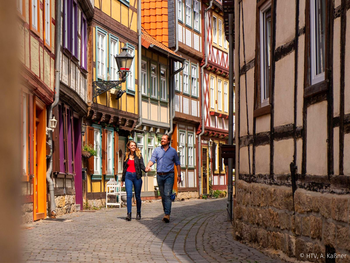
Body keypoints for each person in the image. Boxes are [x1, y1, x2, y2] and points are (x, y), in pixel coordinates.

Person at [145, 134, 181, 223]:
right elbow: (152, 159)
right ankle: (166, 212)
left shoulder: (173, 151)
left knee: (167, 194)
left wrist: (179, 175)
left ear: (168, 141)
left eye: (164, 139)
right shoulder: (157, 150)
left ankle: (167, 214)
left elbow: (177, 163)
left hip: (169, 175)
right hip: (159, 175)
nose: (162, 140)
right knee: (163, 195)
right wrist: (148, 166)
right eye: (162, 139)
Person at [121, 141, 146, 221]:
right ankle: (129, 213)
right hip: (128, 176)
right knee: (129, 195)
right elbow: (124, 168)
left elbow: (142, 166)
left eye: (134, 145)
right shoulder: (126, 155)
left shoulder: (139, 155)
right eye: (131, 145)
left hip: (137, 176)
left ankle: (138, 212)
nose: (133, 147)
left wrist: (146, 169)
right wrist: (122, 179)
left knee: (137, 196)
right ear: (128, 146)